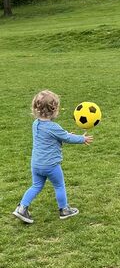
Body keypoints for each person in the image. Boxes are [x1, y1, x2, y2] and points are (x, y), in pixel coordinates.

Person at [13, 90, 93, 224]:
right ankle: (64, 210)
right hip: (51, 165)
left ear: (36, 107)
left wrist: (65, 134)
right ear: (54, 109)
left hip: (36, 164)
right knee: (59, 185)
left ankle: (22, 208)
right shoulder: (54, 127)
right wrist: (81, 138)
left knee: (36, 186)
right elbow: (66, 137)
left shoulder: (36, 124)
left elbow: (54, 136)